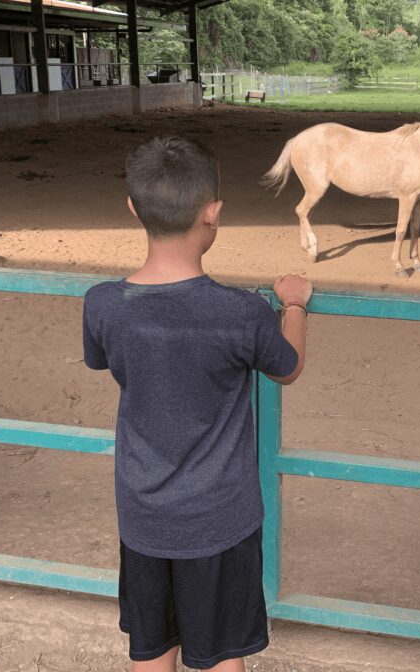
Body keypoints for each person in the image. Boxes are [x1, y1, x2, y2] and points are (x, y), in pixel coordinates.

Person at [82, 136, 312, 672]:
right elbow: (289, 366)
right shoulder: (241, 313)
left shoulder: (103, 304)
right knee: (219, 653)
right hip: (219, 519)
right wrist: (295, 304)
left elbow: (104, 362)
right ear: (213, 213)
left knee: (151, 646)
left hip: (143, 517)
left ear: (134, 208)